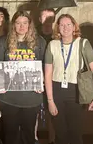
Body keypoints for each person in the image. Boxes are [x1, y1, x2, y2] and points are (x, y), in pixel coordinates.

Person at [44, 14, 93, 144]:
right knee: (60, 133)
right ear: (57, 27)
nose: (65, 28)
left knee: (75, 133)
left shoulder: (83, 43)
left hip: (76, 91)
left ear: (74, 26)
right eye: (62, 25)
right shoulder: (52, 45)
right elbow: (47, 74)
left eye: (68, 24)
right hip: (56, 91)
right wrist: (50, 100)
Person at [0, 11, 46, 144]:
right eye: (18, 23)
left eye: (25, 23)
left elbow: (46, 67)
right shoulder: (3, 42)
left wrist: (42, 82)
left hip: (31, 99)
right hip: (8, 99)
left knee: (28, 135)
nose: (22, 26)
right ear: (13, 25)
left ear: (30, 25)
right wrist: (0, 84)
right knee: (9, 135)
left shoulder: (40, 42)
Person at [35, 8, 56, 144]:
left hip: (54, 80)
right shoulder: (33, 37)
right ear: (39, 19)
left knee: (53, 112)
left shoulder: (59, 36)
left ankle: (53, 140)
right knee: (33, 112)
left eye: (51, 18)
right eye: (45, 17)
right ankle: (34, 139)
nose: (48, 21)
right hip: (35, 79)